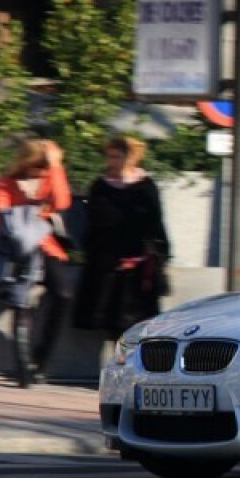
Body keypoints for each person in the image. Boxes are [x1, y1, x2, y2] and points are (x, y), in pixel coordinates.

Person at [0, 138, 74, 385]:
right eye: (38, 165)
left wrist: (56, 165)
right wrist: (27, 214)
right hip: (17, 249)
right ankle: (23, 368)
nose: (42, 171)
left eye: (44, 166)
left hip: (46, 246)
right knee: (20, 300)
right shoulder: (8, 182)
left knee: (64, 294)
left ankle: (42, 361)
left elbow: (62, 202)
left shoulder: (51, 176)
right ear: (25, 163)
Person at [72, 136, 171, 339]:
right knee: (111, 322)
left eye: (117, 156)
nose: (112, 162)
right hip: (107, 264)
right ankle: (118, 365)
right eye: (109, 157)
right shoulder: (100, 185)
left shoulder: (145, 186)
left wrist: (162, 252)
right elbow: (92, 221)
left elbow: (156, 220)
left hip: (137, 265)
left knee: (138, 321)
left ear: (129, 158)